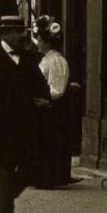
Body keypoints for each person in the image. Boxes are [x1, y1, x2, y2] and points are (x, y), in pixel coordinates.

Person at [0, 12, 52, 213]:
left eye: (24, 32)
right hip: (0, 124)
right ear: (6, 34)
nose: (22, 36)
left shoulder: (28, 59)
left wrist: (45, 100)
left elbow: (41, 86)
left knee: (32, 164)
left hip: (26, 123)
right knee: (5, 166)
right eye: (18, 32)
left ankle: (9, 195)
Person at [31, 17, 77, 188]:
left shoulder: (56, 60)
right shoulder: (47, 59)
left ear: (46, 42)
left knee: (51, 144)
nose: (38, 43)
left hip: (52, 108)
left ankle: (50, 178)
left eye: (40, 40)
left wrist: (41, 97)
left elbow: (56, 89)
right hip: (46, 106)